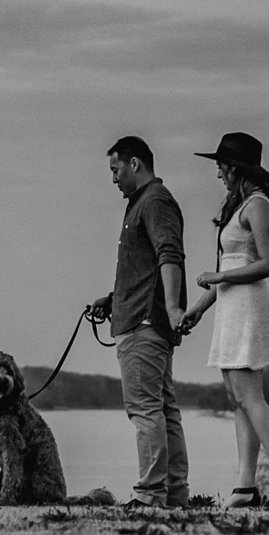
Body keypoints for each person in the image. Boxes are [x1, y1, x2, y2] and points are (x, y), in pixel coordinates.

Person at [182, 131, 269, 513]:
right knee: (237, 399)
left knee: (251, 397)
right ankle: (245, 487)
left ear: (237, 167)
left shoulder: (258, 205)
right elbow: (230, 267)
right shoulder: (238, 206)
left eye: (222, 165)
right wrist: (201, 307)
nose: (218, 172)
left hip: (249, 308)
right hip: (230, 308)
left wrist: (219, 279)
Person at [86, 136, 191, 509]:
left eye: (115, 169)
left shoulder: (154, 202)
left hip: (145, 323)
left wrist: (174, 308)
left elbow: (169, 254)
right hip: (142, 316)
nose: (113, 178)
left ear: (134, 164)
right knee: (163, 408)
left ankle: (150, 495)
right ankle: (175, 494)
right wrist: (111, 301)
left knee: (145, 409)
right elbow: (145, 268)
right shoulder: (142, 204)